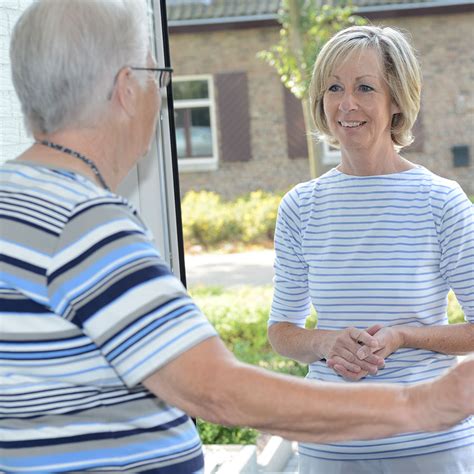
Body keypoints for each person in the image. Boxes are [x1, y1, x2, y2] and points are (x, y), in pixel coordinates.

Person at [0, 3, 472, 472]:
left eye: (364, 87)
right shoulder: (85, 225)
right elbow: (214, 388)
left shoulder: (18, 199)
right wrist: (416, 405)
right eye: (157, 74)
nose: (160, 95)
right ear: (126, 88)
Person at [268, 25, 474, 473]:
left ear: (396, 100)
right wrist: (326, 342)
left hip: (430, 445)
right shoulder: (301, 206)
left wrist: (404, 336)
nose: (347, 104)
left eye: (365, 87)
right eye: (334, 88)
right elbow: (281, 331)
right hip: (330, 447)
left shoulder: (441, 201)